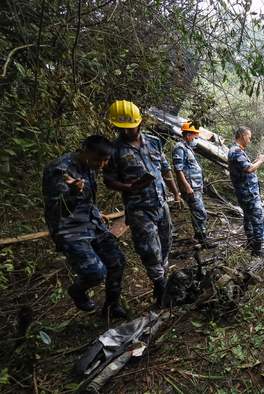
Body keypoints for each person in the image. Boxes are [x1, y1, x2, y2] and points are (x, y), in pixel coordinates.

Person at [103, 100, 184, 307]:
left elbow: (165, 169)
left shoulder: (154, 142)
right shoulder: (113, 150)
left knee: (165, 245)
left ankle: (161, 282)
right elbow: (108, 180)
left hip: (160, 203)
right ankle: (161, 285)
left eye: (130, 127)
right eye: (121, 128)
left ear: (139, 123)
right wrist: (129, 188)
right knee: (149, 249)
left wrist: (176, 194)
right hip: (138, 209)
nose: (126, 131)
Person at [42, 135, 127, 318]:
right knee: (95, 273)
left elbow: (88, 198)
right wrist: (73, 193)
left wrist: (95, 212)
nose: (101, 164)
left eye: (105, 160)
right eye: (97, 159)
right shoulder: (60, 169)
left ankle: (112, 307)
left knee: (117, 261)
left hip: (91, 223)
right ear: (82, 151)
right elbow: (59, 210)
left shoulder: (92, 166)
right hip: (68, 227)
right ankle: (77, 290)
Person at [172, 123, 215, 248]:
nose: (196, 140)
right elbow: (178, 170)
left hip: (195, 186)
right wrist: (187, 187)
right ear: (188, 135)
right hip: (190, 187)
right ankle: (203, 240)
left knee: (198, 212)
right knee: (200, 213)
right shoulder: (179, 147)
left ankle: (200, 234)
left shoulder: (187, 147)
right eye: (195, 138)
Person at [227, 126, 264, 257]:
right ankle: (257, 251)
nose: (249, 140)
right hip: (248, 194)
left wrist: (255, 161)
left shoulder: (237, 151)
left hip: (245, 193)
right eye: (249, 137)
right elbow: (249, 170)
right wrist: (260, 161)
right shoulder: (237, 151)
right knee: (259, 219)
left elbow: (245, 166)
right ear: (243, 136)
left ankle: (250, 244)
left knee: (248, 218)